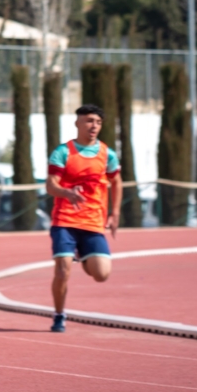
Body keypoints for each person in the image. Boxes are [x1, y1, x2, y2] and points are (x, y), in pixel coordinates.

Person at [45, 104, 121, 333]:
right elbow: (50, 185)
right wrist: (66, 193)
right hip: (65, 220)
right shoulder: (63, 151)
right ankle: (59, 315)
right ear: (77, 123)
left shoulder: (107, 154)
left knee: (101, 274)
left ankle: (83, 254)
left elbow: (116, 182)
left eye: (97, 122)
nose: (93, 126)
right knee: (62, 271)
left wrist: (115, 213)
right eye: (89, 121)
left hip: (93, 221)